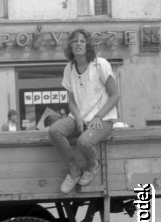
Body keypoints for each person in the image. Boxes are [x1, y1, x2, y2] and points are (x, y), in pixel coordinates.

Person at [48, 29, 120, 194]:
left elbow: (115, 95)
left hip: (104, 118)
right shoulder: (69, 68)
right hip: (79, 116)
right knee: (54, 131)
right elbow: (71, 100)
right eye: (75, 41)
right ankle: (73, 170)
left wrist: (99, 116)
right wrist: (78, 118)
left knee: (84, 142)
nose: (78, 44)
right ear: (70, 46)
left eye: (82, 41)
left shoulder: (100, 64)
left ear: (87, 44)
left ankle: (92, 166)